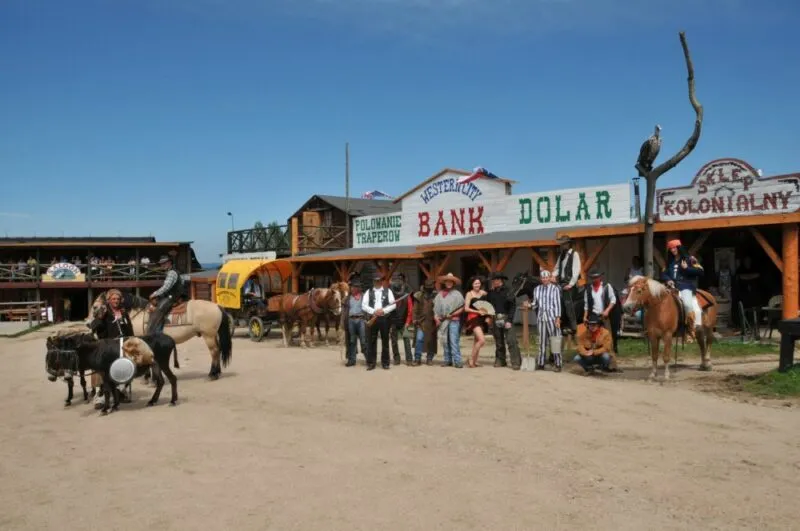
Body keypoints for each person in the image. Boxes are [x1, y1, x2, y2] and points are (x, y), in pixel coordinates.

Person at [660, 239, 703, 338]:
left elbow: (700, 271)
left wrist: (687, 268)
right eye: (671, 248)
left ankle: (691, 330)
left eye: (674, 247)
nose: (673, 250)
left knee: (687, 305)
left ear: (679, 248)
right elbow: (663, 274)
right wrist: (668, 280)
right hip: (671, 287)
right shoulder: (668, 262)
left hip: (685, 286)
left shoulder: (690, 259)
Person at [485, 271, 521, 370]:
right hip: (495, 317)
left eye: (495, 280)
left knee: (511, 340)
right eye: (492, 280)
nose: (493, 282)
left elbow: (513, 306)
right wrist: (488, 316)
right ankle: (500, 360)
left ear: (500, 280)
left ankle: (516, 362)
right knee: (499, 341)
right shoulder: (491, 292)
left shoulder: (509, 290)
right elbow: (488, 306)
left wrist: (509, 320)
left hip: (506, 318)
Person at [362, 273, 396, 370]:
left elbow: (393, 305)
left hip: (384, 319)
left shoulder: (388, 291)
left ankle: (385, 363)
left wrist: (383, 311)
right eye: (376, 280)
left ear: (381, 281)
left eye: (379, 280)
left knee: (385, 341)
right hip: (373, 318)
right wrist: (374, 311)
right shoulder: (368, 292)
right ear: (373, 281)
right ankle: (371, 363)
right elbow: (364, 305)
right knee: (371, 341)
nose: (377, 282)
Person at [583, 270, 620, 355]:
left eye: (596, 277)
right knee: (593, 336)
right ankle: (594, 355)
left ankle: (609, 355)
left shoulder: (607, 286)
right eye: (592, 278)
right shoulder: (588, 289)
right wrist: (585, 316)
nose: (594, 279)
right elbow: (586, 305)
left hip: (604, 315)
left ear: (600, 278)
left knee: (607, 335)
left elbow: (613, 300)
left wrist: (607, 310)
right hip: (593, 316)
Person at [530, 270, 562, 371]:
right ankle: (541, 363)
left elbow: (557, 304)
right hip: (541, 318)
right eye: (543, 278)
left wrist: (557, 319)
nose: (544, 279)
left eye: (546, 277)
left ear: (549, 278)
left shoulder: (554, 289)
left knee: (555, 341)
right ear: (541, 279)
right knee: (542, 341)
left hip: (552, 317)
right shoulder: (537, 289)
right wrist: (529, 305)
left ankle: (558, 363)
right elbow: (535, 304)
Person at [434, 273, 465, 368]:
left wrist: (453, 314)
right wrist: (436, 317)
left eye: (451, 281)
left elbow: (462, 307)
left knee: (453, 340)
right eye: (447, 281)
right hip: (443, 320)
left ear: (453, 283)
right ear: (445, 282)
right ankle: (447, 360)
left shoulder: (457, 294)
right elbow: (435, 308)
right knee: (444, 340)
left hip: (454, 320)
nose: (449, 283)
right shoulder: (439, 294)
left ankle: (457, 360)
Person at [552, 235, 581, 334]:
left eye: (563, 244)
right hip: (561, 283)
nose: (562, 246)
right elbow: (556, 269)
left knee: (568, 303)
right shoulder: (561, 256)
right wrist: (552, 276)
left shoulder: (574, 254)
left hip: (570, 284)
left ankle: (573, 327)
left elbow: (576, 271)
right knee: (557, 302)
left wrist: (571, 284)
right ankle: (560, 324)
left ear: (568, 244)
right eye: (561, 244)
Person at [147, 255, 182, 334]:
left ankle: (158, 333)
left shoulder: (172, 273)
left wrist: (154, 294)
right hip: (172, 295)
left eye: (164, 263)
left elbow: (166, 287)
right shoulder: (171, 272)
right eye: (161, 264)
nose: (162, 265)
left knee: (159, 309)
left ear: (169, 263)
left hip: (173, 296)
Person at [463, 276, 489, 368]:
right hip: (473, 318)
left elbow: (488, 306)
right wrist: (477, 311)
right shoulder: (469, 294)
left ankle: (474, 361)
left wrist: (488, 316)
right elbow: (466, 308)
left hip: (482, 318)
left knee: (476, 340)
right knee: (482, 340)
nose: (477, 285)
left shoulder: (484, 293)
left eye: (478, 283)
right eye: (475, 283)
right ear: (472, 285)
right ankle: (471, 358)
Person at [389, 273, 414, 365]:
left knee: (406, 341)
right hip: (393, 322)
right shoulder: (390, 297)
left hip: (404, 322)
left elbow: (410, 310)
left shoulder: (406, 297)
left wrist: (407, 322)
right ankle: (396, 359)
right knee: (394, 342)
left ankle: (409, 359)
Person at [343, 277, 368, 367]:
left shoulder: (364, 297)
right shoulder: (348, 298)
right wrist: (343, 323)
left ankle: (368, 359)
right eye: (352, 287)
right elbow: (344, 311)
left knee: (364, 340)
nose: (352, 288)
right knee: (352, 341)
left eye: (354, 287)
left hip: (361, 320)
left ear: (358, 288)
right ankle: (352, 360)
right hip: (350, 321)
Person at [412, 279, 438, 366]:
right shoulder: (419, 295)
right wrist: (414, 318)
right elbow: (415, 308)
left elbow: (439, 308)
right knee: (419, 339)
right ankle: (417, 358)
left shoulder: (436, 296)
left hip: (432, 321)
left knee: (431, 340)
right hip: (421, 321)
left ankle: (429, 358)